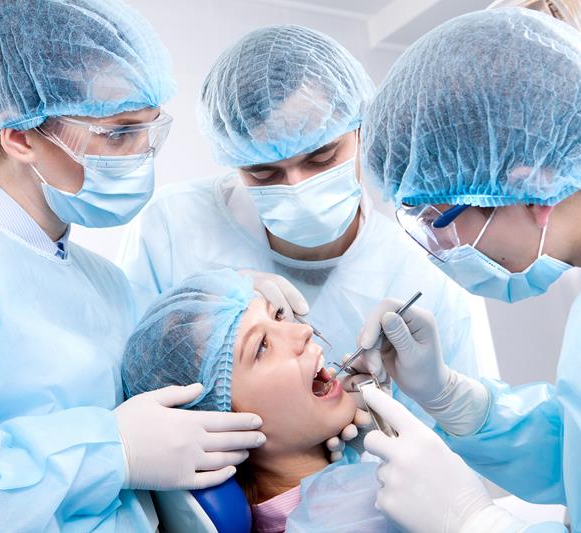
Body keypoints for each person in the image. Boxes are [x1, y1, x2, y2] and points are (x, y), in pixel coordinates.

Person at [0, 1, 305, 530]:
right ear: (20, 136)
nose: (142, 155)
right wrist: (107, 452)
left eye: (148, 131)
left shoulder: (106, 284)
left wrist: (231, 300)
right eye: (117, 134)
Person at [354, 7, 581, 532]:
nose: (439, 248)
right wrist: (448, 395)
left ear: (532, 181)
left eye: (438, 219)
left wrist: (474, 524)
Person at [119, 24, 482, 428]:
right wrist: (209, 299)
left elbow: (460, 434)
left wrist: (392, 428)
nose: (296, 186)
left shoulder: (422, 262)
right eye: (263, 172)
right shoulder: (174, 225)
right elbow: (141, 393)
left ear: (363, 129)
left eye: (322, 157)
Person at [123, 269, 396, 533]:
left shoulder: (357, 488)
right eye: (261, 347)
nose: (303, 332)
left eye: (278, 315)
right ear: (220, 424)